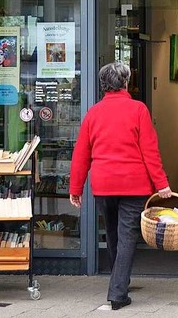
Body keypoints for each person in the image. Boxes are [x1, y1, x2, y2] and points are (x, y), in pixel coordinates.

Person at [69, 61, 172, 311]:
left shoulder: (93, 113)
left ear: (103, 85)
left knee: (113, 234)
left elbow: (81, 153)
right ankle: (117, 292)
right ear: (126, 83)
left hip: (104, 184)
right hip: (133, 185)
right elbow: (150, 151)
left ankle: (119, 282)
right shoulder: (138, 109)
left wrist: (75, 188)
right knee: (127, 237)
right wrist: (162, 185)